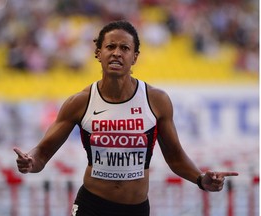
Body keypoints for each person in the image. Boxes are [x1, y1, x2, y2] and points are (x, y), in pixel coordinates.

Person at [14, 20, 238, 216]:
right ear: (98, 53)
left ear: (135, 57)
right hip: (91, 206)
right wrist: (30, 162)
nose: (116, 53)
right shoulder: (80, 102)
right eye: (110, 46)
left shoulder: (156, 101)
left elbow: (176, 158)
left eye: (124, 48)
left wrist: (201, 180)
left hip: (136, 209)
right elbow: (42, 153)